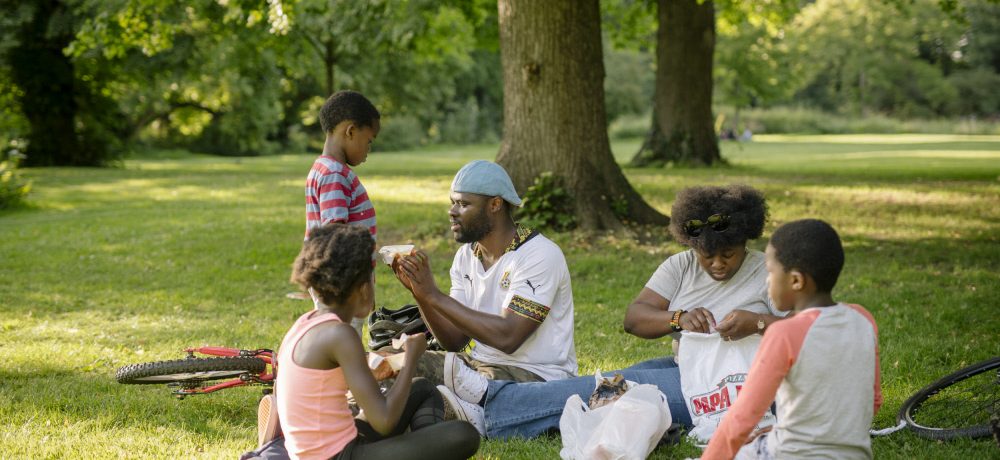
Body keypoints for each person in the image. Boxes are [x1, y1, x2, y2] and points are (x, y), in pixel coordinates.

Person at [430, 184, 786, 438]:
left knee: (620, 390)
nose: (718, 265)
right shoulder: (681, 266)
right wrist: (677, 318)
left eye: (729, 255)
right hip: (690, 365)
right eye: (707, 257)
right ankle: (490, 401)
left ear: (746, 241)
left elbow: (805, 331)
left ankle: (486, 405)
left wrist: (756, 322)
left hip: (733, 382)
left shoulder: (768, 271)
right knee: (612, 383)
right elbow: (634, 318)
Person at [256, 223, 480, 460]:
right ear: (363, 288)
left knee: (422, 388)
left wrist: (383, 366)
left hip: (333, 444)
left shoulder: (306, 323)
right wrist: (411, 359)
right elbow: (383, 420)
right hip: (339, 456)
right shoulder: (342, 335)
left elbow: (327, 379)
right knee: (463, 434)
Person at [392, 160, 578, 421]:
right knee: (391, 362)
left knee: (418, 372)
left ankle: (464, 406)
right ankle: (461, 405)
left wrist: (435, 296)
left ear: (495, 205)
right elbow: (455, 341)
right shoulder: (466, 256)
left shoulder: (539, 255)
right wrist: (421, 294)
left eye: (463, 204)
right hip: (479, 369)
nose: (452, 212)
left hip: (535, 377)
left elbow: (508, 337)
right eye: (452, 202)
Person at [702, 219, 882, 459]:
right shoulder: (863, 319)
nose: (767, 282)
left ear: (796, 280)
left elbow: (743, 416)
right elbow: (873, 400)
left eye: (770, 272)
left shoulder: (784, 333)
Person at [303, 90, 381, 336]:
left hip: (335, 281)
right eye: (369, 140)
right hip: (343, 286)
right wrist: (362, 285)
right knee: (344, 340)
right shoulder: (335, 175)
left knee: (334, 337)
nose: (369, 150)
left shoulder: (322, 168)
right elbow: (338, 238)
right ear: (350, 131)